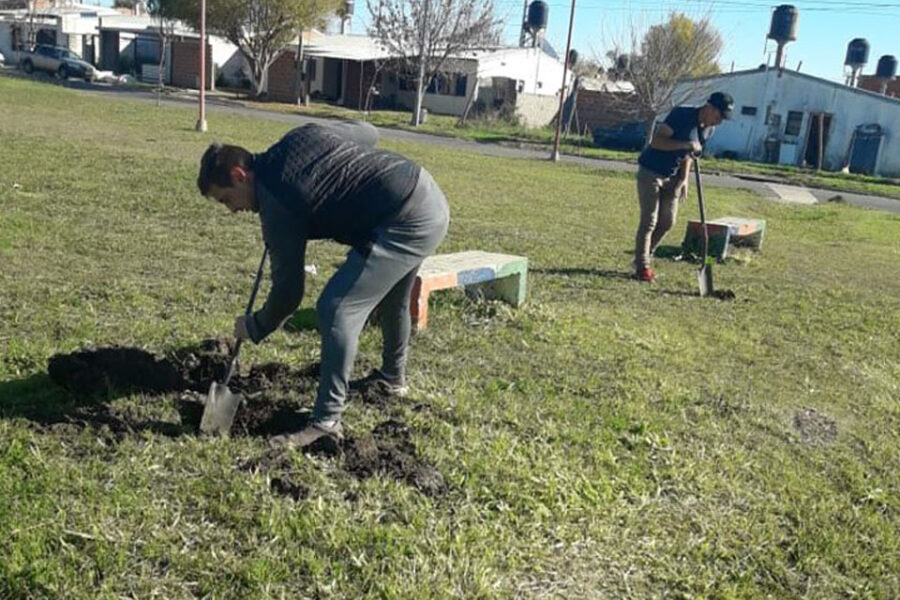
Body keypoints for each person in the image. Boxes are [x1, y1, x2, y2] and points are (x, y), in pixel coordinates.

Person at [197, 120, 450, 448]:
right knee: (393, 299)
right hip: (424, 192)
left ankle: (327, 423)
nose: (232, 210)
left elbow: (289, 294)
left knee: (337, 308)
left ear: (239, 175)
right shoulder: (300, 137)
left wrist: (255, 325)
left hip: (405, 221)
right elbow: (368, 133)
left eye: (226, 200)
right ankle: (392, 378)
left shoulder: (277, 206)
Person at [632, 91, 734, 282]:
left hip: (673, 177)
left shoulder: (708, 130)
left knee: (667, 222)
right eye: (719, 116)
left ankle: (646, 253)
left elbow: (689, 156)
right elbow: (657, 141)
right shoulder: (681, 115)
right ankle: (642, 265)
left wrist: (684, 179)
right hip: (651, 172)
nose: (719, 122)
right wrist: (686, 144)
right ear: (710, 108)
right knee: (649, 221)